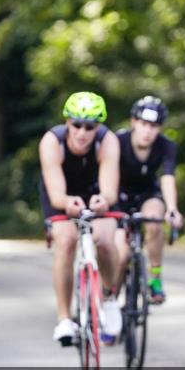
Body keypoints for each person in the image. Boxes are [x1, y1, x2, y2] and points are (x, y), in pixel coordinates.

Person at [39, 91, 122, 346]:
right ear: (67, 122)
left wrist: (103, 200)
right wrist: (67, 203)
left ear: (98, 126)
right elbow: (56, 195)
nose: (82, 132)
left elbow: (109, 188)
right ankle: (64, 318)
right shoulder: (52, 141)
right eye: (76, 124)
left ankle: (109, 298)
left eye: (89, 126)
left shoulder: (107, 140)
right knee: (66, 240)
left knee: (106, 240)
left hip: (96, 193)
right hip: (61, 194)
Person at [114, 96, 184, 304]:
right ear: (134, 122)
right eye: (143, 124)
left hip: (147, 194)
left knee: (155, 221)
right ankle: (109, 303)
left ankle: (155, 278)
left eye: (153, 126)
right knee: (121, 256)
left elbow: (167, 177)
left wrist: (172, 208)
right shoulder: (117, 141)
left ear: (160, 128)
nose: (147, 131)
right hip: (118, 197)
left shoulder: (166, 146)